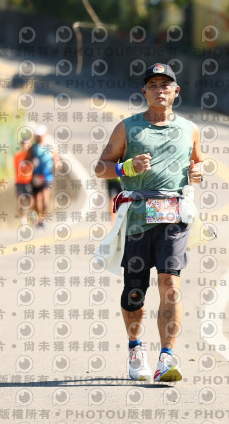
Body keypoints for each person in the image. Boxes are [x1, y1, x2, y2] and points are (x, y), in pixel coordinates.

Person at [94, 63, 204, 382]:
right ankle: (135, 347)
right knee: (135, 292)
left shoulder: (189, 129)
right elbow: (101, 167)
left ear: (176, 91)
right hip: (137, 220)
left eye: (165, 85)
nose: (159, 90)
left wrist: (198, 172)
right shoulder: (127, 128)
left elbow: (198, 163)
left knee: (170, 285)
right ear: (144, 91)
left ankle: (166, 358)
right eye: (153, 85)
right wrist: (125, 167)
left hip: (174, 216)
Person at [28, 125, 61, 228]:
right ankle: (38, 219)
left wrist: (57, 163)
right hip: (36, 177)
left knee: (45, 200)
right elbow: (28, 159)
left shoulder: (49, 147)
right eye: (37, 135)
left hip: (46, 176)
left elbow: (56, 157)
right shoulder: (33, 148)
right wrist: (31, 162)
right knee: (37, 200)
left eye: (40, 135)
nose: (39, 137)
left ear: (44, 135)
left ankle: (43, 218)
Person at [14, 136, 33, 225]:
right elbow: (17, 168)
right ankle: (23, 219)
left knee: (31, 200)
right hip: (20, 182)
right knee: (20, 200)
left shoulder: (31, 156)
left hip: (29, 181)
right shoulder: (18, 156)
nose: (25, 146)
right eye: (23, 144)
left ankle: (32, 217)